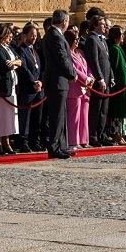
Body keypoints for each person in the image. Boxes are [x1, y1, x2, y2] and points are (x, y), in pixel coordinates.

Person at [42, 10, 77, 159]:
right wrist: (72, 74)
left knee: (61, 115)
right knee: (56, 116)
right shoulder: (55, 35)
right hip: (57, 80)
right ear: (64, 21)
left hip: (59, 80)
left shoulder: (54, 34)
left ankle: (61, 145)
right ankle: (54, 147)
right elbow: (62, 58)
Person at [0, 24, 22, 155]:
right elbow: (3, 65)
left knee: (8, 116)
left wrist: (13, 63)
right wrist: (13, 64)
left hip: (11, 84)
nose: (10, 38)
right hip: (1, 85)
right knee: (0, 116)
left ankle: (7, 141)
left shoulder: (8, 47)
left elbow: (20, 60)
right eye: (8, 36)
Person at [14, 23, 45, 153]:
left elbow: (42, 67)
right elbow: (24, 69)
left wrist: (41, 81)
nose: (34, 37)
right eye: (32, 35)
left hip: (38, 89)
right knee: (25, 118)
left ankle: (35, 141)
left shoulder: (36, 51)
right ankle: (23, 141)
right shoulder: (21, 50)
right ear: (25, 35)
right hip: (28, 88)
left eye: (36, 35)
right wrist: (34, 81)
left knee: (37, 117)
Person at [82, 15, 112, 145]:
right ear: (95, 25)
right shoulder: (92, 40)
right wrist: (99, 78)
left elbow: (107, 61)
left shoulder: (103, 40)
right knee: (96, 109)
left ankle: (101, 134)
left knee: (104, 110)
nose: (104, 26)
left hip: (106, 79)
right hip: (99, 81)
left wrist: (111, 76)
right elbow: (94, 62)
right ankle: (93, 135)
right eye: (102, 24)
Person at [66, 28, 94, 148]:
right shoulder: (68, 54)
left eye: (78, 39)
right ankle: (74, 140)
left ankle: (84, 139)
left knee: (84, 115)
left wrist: (91, 77)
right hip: (75, 87)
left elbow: (87, 67)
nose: (77, 42)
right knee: (75, 116)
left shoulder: (81, 52)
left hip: (86, 88)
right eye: (75, 39)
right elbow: (74, 69)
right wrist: (85, 79)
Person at [106, 25, 126, 146]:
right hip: (120, 86)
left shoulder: (118, 48)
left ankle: (123, 134)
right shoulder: (114, 50)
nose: (122, 37)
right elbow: (116, 68)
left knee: (125, 111)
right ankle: (117, 134)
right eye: (121, 35)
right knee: (120, 111)